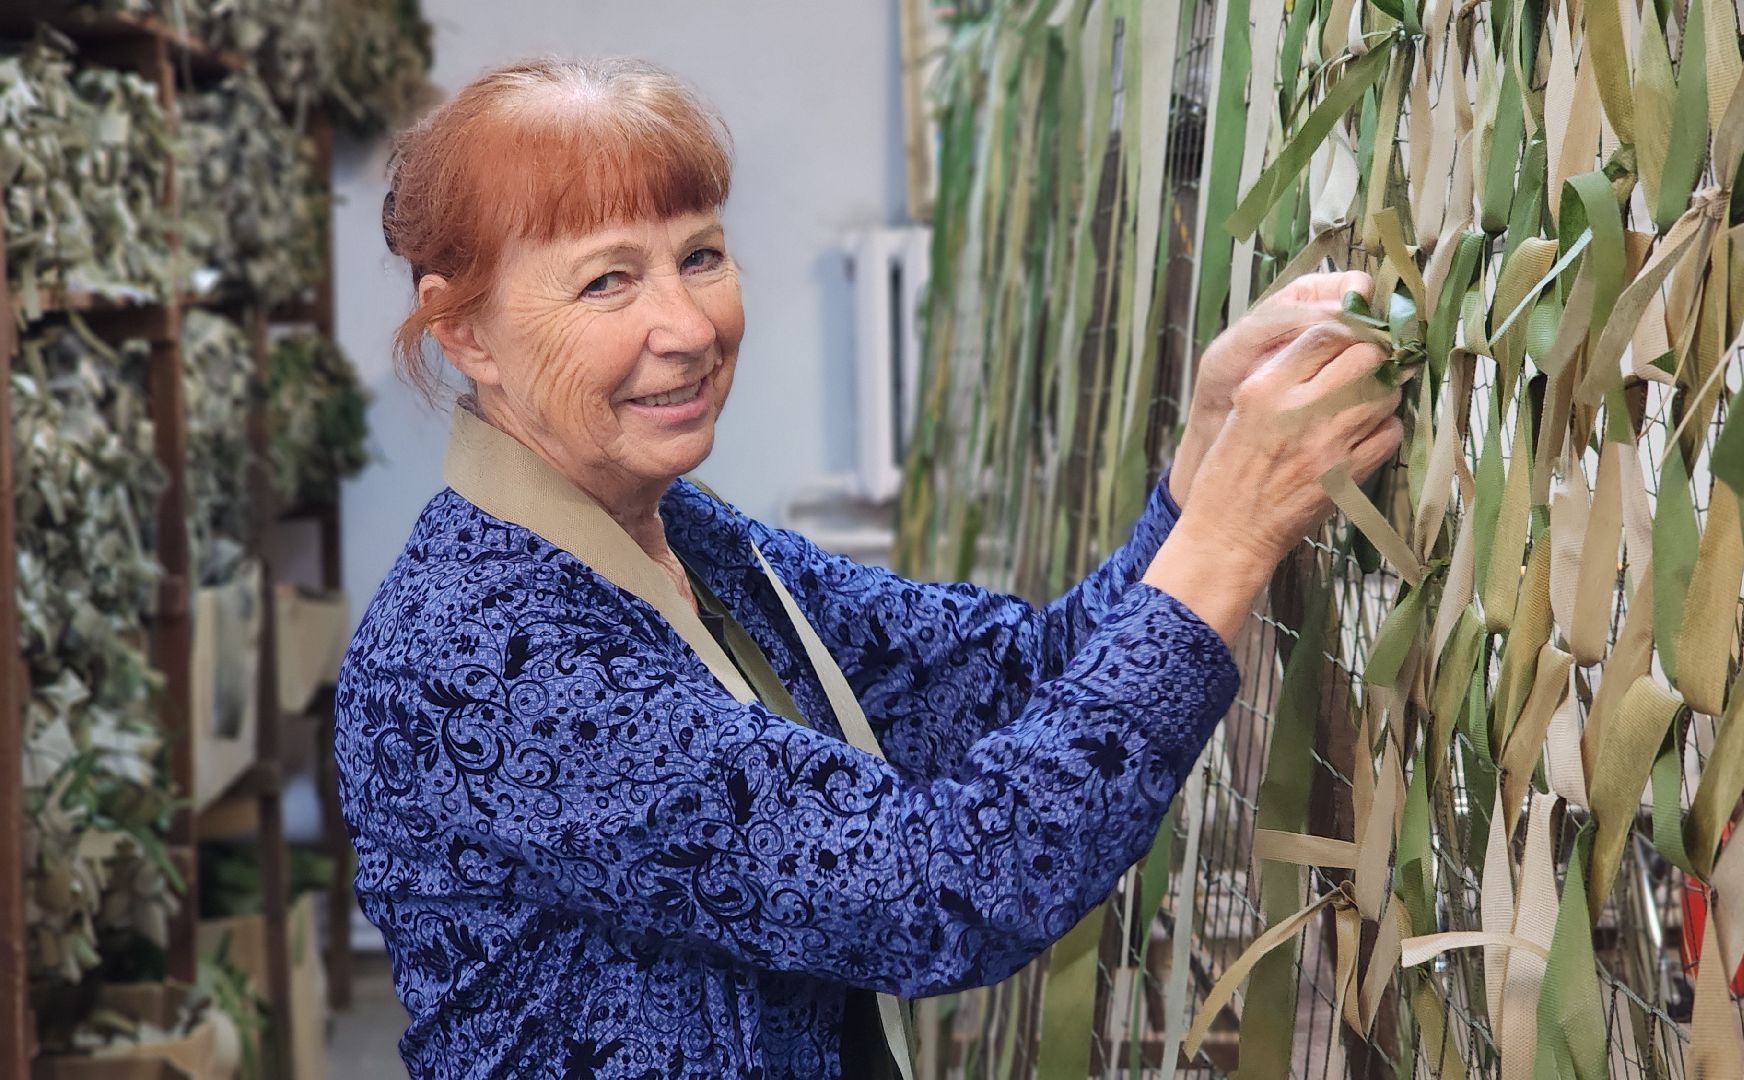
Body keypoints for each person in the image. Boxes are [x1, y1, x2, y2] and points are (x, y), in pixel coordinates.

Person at [336, 54, 1402, 1079]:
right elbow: (945, 889)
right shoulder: (478, 656)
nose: (689, 326)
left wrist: (1200, 469)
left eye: (700, 256)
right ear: (466, 336)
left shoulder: (683, 536)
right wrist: (1228, 540)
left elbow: (1009, 680)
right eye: (607, 281)